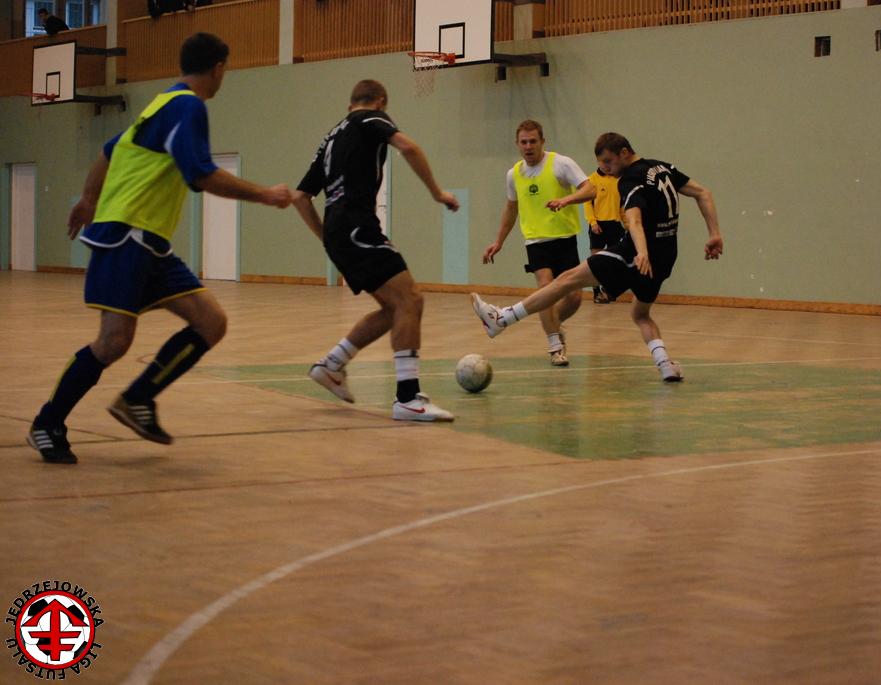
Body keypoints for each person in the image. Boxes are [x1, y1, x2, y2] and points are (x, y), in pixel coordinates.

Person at [26, 33, 292, 465]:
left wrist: (89, 199)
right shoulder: (187, 106)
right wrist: (265, 194)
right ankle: (47, 422)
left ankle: (138, 399)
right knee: (113, 342)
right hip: (126, 237)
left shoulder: (161, 103)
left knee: (211, 322)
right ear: (218, 68)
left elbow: (109, 151)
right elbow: (200, 173)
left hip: (149, 243)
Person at [471, 132, 723, 383]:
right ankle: (665, 364)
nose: (605, 168)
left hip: (633, 254)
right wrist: (714, 234)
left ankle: (502, 318)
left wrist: (641, 252)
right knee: (640, 314)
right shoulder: (662, 168)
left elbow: (634, 220)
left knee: (567, 280)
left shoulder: (630, 179)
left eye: (608, 161)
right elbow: (703, 193)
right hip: (665, 258)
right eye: (601, 163)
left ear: (624, 153)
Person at [291, 79, 460, 422]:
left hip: (339, 232)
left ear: (350, 102)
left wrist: (327, 238)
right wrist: (437, 193)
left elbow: (300, 197)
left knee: (393, 307)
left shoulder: (330, 137)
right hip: (358, 227)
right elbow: (409, 147)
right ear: (380, 102)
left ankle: (332, 365)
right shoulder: (369, 118)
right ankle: (407, 398)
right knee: (411, 299)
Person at [481, 120, 595, 366]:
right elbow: (511, 209)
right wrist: (498, 241)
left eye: (533, 141)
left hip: (565, 238)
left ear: (542, 141)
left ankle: (554, 324)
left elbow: (590, 190)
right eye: (523, 142)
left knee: (574, 297)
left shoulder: (561, 164)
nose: (528, 146)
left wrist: (566, 201)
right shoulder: (514, 174)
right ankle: (555, 346)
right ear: (517, 144)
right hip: (536, 241)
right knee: (545, 288)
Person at [582, 165, 626, 303]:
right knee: (596, 262)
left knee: (615, 260)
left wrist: (627, 224)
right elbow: (587, 204)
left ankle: (609, 290)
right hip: (598, 225)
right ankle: (597, 293)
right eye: (604, 161)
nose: (607, 165)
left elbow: (621, 205)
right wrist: (593, 223)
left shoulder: (618, 179)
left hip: (615, 224)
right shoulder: (591, 180)